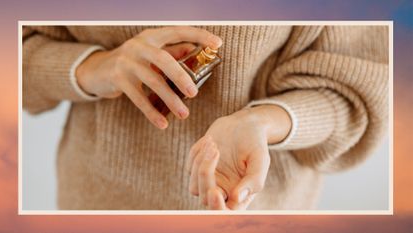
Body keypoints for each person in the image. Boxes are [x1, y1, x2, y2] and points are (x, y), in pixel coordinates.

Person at [23, 25, 388, 210]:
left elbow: (355, 92)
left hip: (261, 213)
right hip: (95, 207)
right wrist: (97, 67)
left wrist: (261, 122)